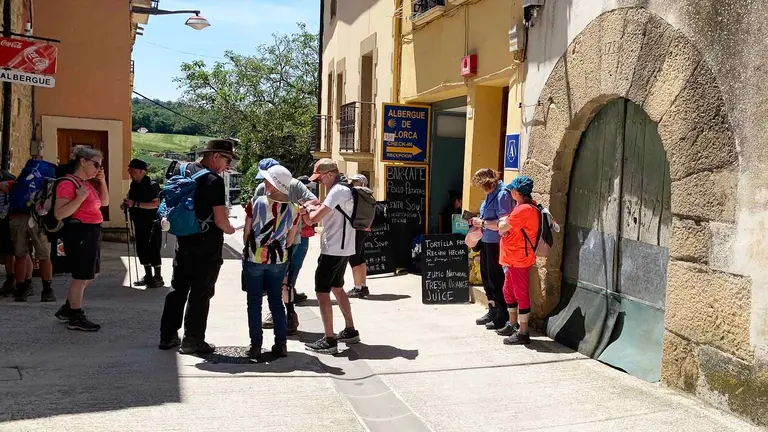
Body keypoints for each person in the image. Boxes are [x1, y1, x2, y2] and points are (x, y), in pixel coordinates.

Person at [158, 139, 236, 354]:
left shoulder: (184, 170)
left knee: (178, 287)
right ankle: (193, 340)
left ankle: (168, 335)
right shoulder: (213, 181)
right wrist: (231, 229)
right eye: (227, 160)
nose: (227, 166)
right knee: (201, 291)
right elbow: (220, 220)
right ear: (215, 156)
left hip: (183, 239)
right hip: (207, 243)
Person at [302, 158, 360, 354]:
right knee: (338, 288)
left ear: (330, 174)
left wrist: (306, 211)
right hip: (344, 248)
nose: (320, 183)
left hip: (333, 249)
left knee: (322, 291)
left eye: (320, 179)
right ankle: (350, 330)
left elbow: (314, 219)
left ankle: (329, 339)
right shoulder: (345, 189)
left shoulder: (336, 191)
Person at [253, 158, 318, 334]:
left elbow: (253, 218)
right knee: (285, 280)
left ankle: (282, 316)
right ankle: (287, 317)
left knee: (276, 280)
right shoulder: (294, 184)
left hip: (269, 244)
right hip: (291, 240)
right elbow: (314, 202)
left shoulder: (266, 188)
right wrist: (302, 210)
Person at [242, 164, 299, 361]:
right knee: (276, 301)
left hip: (255, 257)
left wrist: (253, 247)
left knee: (254, 302)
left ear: (274, 184)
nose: (264, 182)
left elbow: (247, 232)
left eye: (267, 180)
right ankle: (281, 343)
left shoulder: (255, 203)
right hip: (279, 260)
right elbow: (290, 241)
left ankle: (256, 345)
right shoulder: (295, 208)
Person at [53, 146, 109, 331]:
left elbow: (105, 203)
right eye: (96, 164)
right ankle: (75, 316)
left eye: (100, 166)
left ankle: (69, 308)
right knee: (81, 276)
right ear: (82, 161)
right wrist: (78, 199)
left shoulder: (85, 183)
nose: (98, 169)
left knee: (91, 273)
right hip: (80, 232)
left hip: (92, 231)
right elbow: (59, 213)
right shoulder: (68, 183)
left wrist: (102, 182)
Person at [471, 168, 513, 331]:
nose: (482, 189)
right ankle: (492, 310)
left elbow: (504, 222)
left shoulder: (502, 194)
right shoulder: (489, 194)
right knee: (487, 279)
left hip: (497, 243)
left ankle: (501, 314)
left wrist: (482, 223)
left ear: (489, 182)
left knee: (496, 279)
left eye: (483, 185)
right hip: (486, 241)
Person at [498, 176, 538, 345]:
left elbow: (503, 227)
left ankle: (523, 332)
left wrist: (502, 222)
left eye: (511, 190)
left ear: (516, 192)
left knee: (520, 293)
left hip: (519, 258)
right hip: (514, 258)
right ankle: (513, 323)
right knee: (508, 291)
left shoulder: (523, 210)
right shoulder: (525, 208)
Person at [8, 161, 56, 303]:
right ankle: (47, 291)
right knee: (44, 256)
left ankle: (20, 290)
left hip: (17, 218)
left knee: (20, 255)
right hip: (36, 219)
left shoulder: (21, 179)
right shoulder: (49, 179)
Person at [125, 158, 163, 288]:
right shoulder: (134, 185)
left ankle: (158, 277)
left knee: (153, 248)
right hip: (139, 222)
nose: (129, 172)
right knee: (141, 249)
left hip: (152, 222)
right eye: (129, 170)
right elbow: (130, 198)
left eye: (132, 170)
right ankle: (148, 276)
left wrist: (135, 204)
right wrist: (126, 203)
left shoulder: (152, 185)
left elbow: (155, 204)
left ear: (142, 171)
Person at [347, 174, 370, 299]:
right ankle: (363, 285)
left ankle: (358, 288)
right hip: (365, 229)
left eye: (354, 181)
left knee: (354, 257)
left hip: (356, 229)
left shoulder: (356, 194)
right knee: (361, 257)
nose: (351, 184)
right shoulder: (368, 194)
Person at [0, 171, 16, 296]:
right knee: (13, 253)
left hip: (7, 221)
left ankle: (11, 281)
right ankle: (15, 281)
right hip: (10, 220)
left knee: (10, 252)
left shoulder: (8, 181)